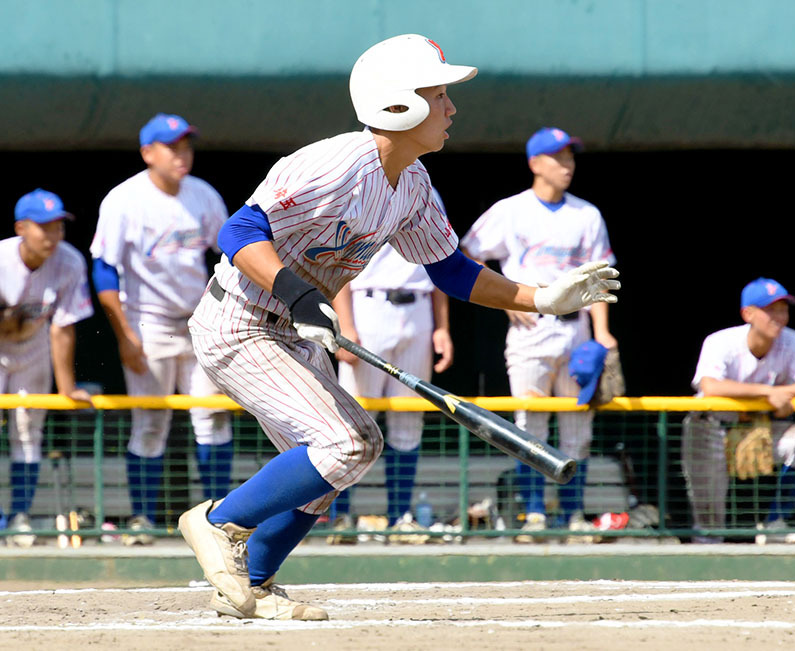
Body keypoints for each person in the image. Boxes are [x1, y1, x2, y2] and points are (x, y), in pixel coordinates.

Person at [177, 34, 619, 621]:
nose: (452, 108)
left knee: (334, 468)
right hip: (240, 320)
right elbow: (238, 232)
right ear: (398, 104)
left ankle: (253, 585)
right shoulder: (336, 162)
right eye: (439, 95)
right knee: (348, 442)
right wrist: (299, 293)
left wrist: (541, 298)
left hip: (295, 327)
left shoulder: (412, 184)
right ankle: (215, 522)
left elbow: (453, 272)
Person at [460, 126, 617, 541]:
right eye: (558, 157)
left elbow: (601, 278)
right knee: (531, 424)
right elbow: (467, 253)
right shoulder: (511, 210)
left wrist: (603, 333)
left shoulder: (586, 214)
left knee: (577, 429)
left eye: (570, 157)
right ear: (535, 163)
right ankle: (533, 514)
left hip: (577, 330)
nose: (567, 165)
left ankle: (574, 515)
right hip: (532, 329)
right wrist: (508, 300)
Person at [90, 113, 233, 544]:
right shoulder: (124, 199)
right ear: (148, 153)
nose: (182, 155)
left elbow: (228, 254)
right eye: (172, 147)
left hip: (199, 320)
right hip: (148, 322)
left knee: (213, 417)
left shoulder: (202, 194)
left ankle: (220, 521)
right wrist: (124, 336)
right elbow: (104, 268)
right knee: (150, 423)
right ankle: (142, 520)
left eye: (186, 146)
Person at [328, 214, 455, 539]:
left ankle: (401, 517)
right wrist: (346, 325)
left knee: (409, 422)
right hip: (369, 306)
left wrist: (442, 327)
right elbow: (337, 264)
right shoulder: (361, 191)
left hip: (418, 308)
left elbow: (439, 261)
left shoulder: (426, 194)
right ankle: (339, 518)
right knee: (353, 423)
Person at [0, 189, 93, 547]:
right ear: (22, 228)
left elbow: (63, 326)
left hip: (34, 347)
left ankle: (19, 516)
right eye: (44, 228)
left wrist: (66, 387)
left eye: (58, 228)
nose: (52, 237)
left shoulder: (69, 261)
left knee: (26, 433)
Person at [682, 277, 795, 544]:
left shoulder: (792, 341)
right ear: (748, 313)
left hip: (762, 426)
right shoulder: (721, 341)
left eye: (783, 309)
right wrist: (770, 393)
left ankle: (775, 523)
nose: (779, 317)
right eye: (771, 310)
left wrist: (780, 397)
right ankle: (705, 565)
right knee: (709, 522)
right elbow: (710, 386)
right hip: (710, 428)